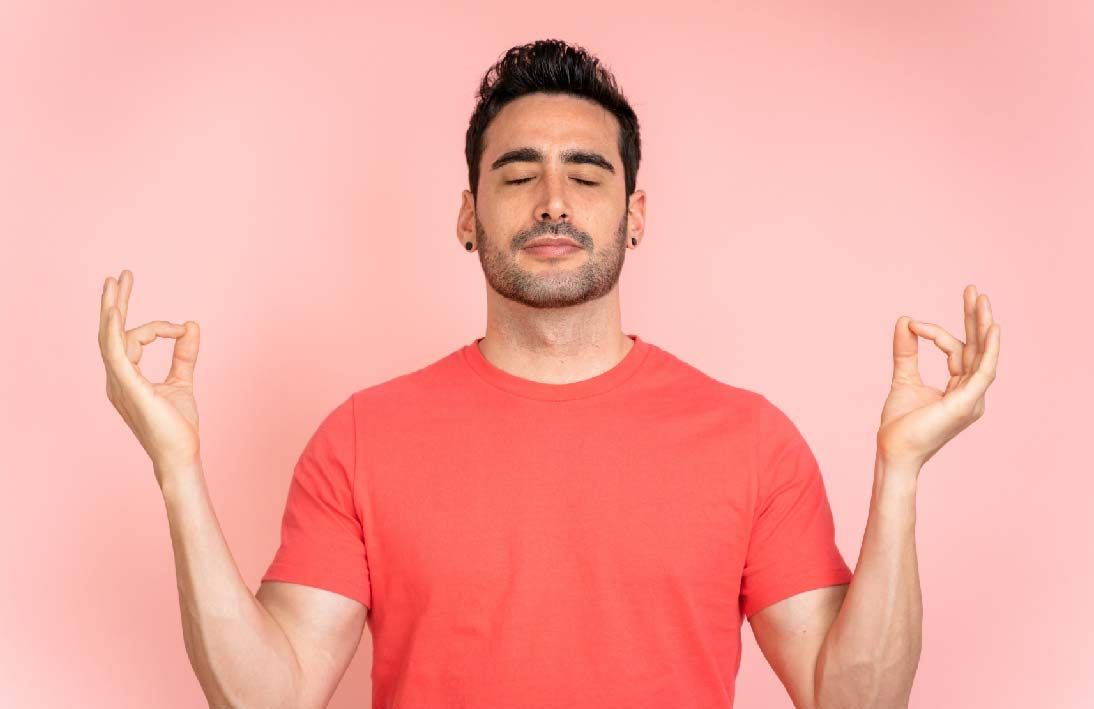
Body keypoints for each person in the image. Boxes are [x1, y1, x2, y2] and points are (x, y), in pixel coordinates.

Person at [98, 38, 1001, 709]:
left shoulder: (751, 440)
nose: (554, 201)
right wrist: (175, 467)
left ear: (635, 212)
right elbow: (270, 696)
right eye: (518, 173)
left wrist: (901, 471)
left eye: (588, 175)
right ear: (468, 213)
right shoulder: (361, 438)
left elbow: (856, 699)